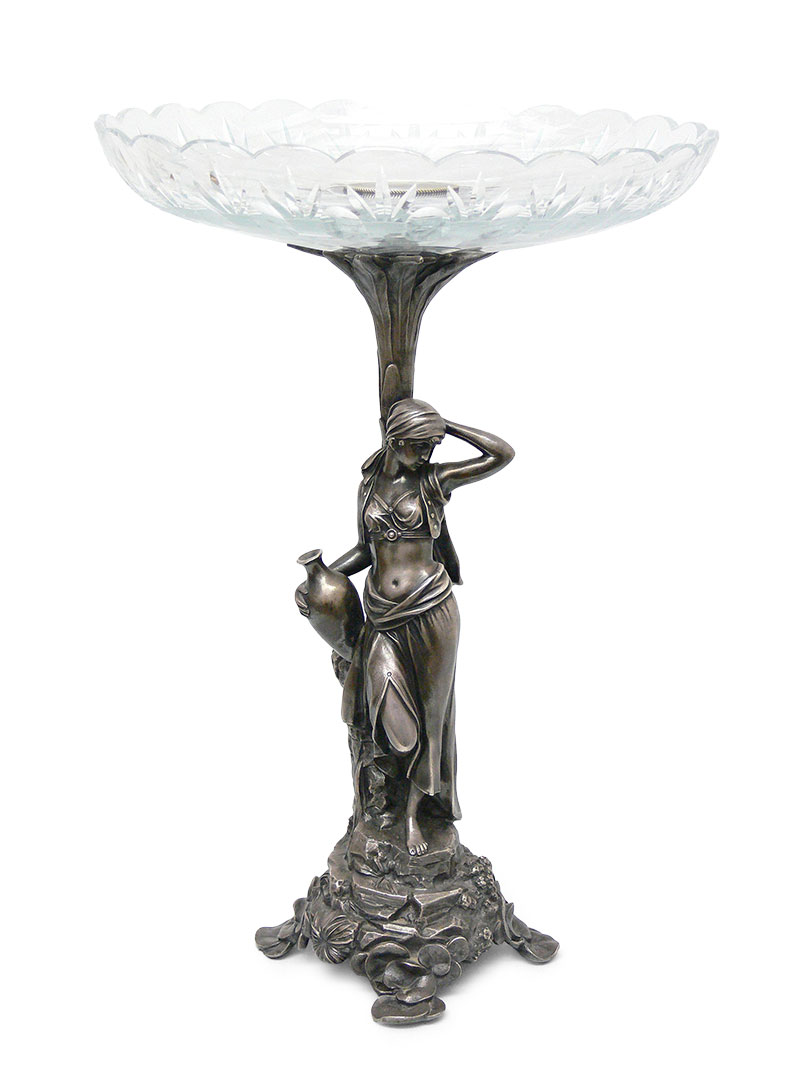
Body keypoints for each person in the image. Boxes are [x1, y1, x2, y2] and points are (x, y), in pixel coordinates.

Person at [323, 398, 513, 856]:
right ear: (394, 440)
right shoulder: (369, 486)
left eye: (432, 445)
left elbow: (501, 454)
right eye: (418, 444)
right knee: (383, 700)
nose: (427, 453)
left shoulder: (434, 481)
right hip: (382, 613)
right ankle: (380, 805)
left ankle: (413, 816)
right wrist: (324, 577)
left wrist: (446, 425)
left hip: (432, 611)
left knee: (432, 718)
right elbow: (365, 551)